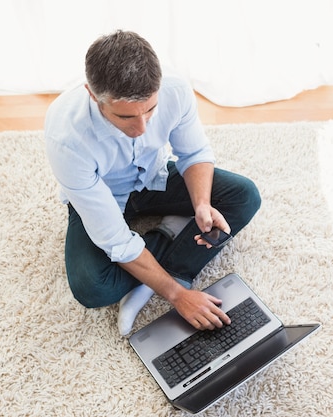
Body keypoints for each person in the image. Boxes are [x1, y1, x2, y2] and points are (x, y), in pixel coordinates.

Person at [44, 30, 261, 336]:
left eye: (151, 110)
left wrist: (201, 203)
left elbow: (195, 153)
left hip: (153, 176)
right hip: (101, 194)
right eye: (125, 117)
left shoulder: (174, 89)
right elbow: (115, 240)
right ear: (94, 96)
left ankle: (169, 264)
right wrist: (176, 295)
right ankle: (170, 234)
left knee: (245, 196)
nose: (142, 128)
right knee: (92, 288)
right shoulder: (65, 138)